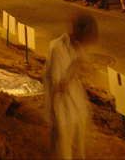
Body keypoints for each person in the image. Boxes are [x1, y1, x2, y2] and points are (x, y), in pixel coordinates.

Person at [43, 11, 99, 160]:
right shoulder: (57, 48)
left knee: (79, 154)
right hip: (63, 115)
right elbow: (58, 87)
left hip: (78, 111)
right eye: (85, 39)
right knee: (64, 155)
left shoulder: (79, 47)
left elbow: (84, 75)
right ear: (76, 31)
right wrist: (76, 67)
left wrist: (86, 70)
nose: (86, 44)